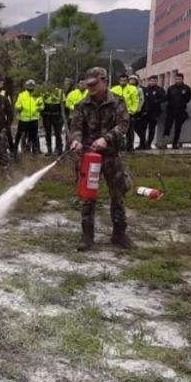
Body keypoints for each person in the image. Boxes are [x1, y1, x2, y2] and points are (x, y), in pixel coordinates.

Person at [69, 66, 133, 251]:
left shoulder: (117, 102)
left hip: (111, 156)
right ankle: (87, 236)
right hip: (89, 158)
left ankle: (119, 234)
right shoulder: (82, 105)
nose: (91, 88)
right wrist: (76, 141)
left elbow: (123, 125)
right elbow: (76, 127)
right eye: (88, 85)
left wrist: (106, 139)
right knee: (88, 198)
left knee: (118, 195)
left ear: (104, 80)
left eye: (94, 84)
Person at [14, 80, 43, 154]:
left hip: (34, 119)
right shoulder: (22, 95)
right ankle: (18, 148)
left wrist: (40, 108)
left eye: (32, 86)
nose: (30, 87)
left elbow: (42, 105)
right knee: (21, 134)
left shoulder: (38, 95)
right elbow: (17, 105)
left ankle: (34, 149)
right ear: (26, 86)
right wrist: (19, 107)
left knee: (34, 135)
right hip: (24, 119)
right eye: (29, 86)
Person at [164, 73, 191, 148]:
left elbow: (188, 99)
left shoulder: (187, 88)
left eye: (179, 79)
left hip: (181, 110)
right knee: (167, 126)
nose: (178, 80)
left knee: (178, 128)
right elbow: (167, 98)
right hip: (171, 110)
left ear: (182, 79)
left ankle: (175, 143)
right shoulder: (171, 88)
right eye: (176, 79)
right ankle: (164, 142)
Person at [140, 75, 165, 149]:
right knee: (142, 129)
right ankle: (142, 144)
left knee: (152, 129)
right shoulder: (144, 89)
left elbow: (164, 98)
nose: (152, 82)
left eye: (154, 81)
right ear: (148, 81)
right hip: (145, 112)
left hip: (154, 112)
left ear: (156, 82)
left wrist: (157, 101)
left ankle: (149, 144)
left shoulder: (159, 89)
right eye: (151, 81)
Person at [41, 85, 64, 155]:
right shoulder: (45, 92)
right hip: (47, 115)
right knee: (48, 133)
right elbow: (41, 102)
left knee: (58, 133)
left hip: (57, 115)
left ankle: (59, 149)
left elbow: (63, 103)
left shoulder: (60, 92)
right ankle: (49, 150)